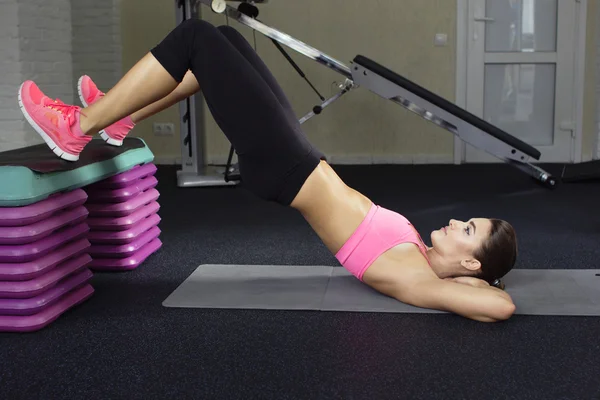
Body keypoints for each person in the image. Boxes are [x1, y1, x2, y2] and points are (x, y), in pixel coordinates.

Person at [17, 19, 517, 322]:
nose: (456, 223)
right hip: (297, 157)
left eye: (468, 230)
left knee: (195, 38)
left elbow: (502, 308)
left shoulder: (420, 281)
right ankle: (119, 114)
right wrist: (479, 279)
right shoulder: (424, 257)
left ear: (470, 264)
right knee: (228, 39)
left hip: (284, 165)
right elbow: (489, 291)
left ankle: (78, 126)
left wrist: (478, 288)